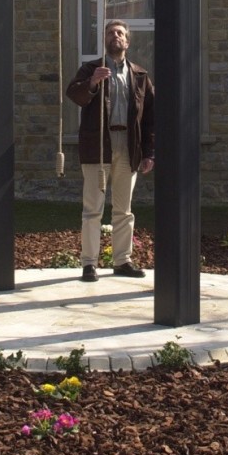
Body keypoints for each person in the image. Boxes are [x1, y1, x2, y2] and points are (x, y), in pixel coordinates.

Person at [66, 19, 154, 282]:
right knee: (93, 207)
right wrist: (92, 83)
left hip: (128, 145)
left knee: (123, 209)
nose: (115, 36)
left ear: (127, 42)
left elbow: (150, 116)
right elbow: (75, 95)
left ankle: (122, 261)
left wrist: (150, 152)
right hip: (98, 146)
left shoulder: (139, 75)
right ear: (104, 40)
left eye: (119, 33)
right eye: (110, 33)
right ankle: (89, 264)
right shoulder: (91, 68)